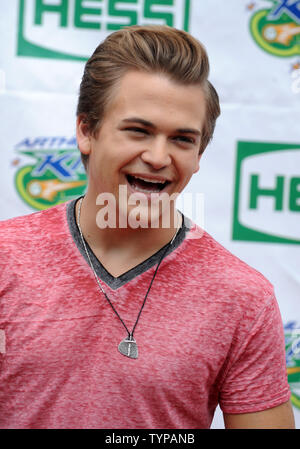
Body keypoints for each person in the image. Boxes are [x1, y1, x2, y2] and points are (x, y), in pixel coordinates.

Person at [0, 25, 295, 429]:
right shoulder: (5, 257)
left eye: (182, 139)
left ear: (199, 154)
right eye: (138, 131)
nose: (158, 157)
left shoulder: (242, 299)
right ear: (87, 130)